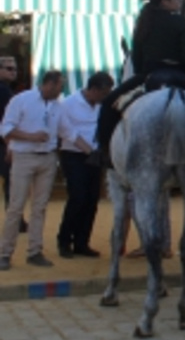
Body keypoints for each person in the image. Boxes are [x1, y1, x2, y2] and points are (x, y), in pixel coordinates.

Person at [95, 0, 185, 169]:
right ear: (164, 0)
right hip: (179, 74)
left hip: (150, 74)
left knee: (109, 103)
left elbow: (136, 57)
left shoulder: (143, 22)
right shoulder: (180, 22)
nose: (180, 1)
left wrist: (144, 73)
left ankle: (103, 152)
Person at [0, 70, 65, 269]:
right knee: (16, 207)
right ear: (50, 84)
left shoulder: (57, 105)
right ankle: (4, 252)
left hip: (47, 157)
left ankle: (34, 250)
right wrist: (31, 137)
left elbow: (63, 130)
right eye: (60, 85)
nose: (61, 89)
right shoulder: (22, 100)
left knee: (40, 207)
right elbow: (5, 129)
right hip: (25, 156)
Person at [57, 72, 114, 258]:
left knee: (92, 200)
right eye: (104, 93)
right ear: (94, 90)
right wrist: (89, 150)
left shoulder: (102, 105)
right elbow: (67, 131)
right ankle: (64, 240)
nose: (105, 97)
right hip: (74, 155)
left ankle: (82, 242)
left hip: (95, 156)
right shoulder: (68, 103)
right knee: (78, 198)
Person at [0, 56, 24, 232]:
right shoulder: (4, 91)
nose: (13, 72)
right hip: (4, 142)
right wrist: (9, 143)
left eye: (14, 68)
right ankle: (15, 220)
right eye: (9, 68)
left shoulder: (7, 90)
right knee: (12, 181)